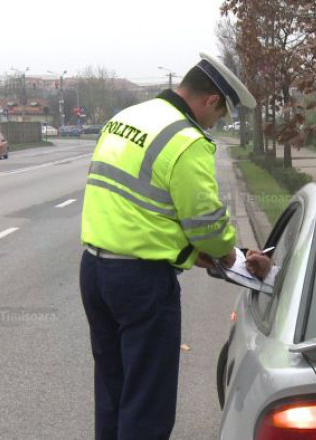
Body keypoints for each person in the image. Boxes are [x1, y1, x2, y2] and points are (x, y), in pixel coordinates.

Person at [79, 53, 256, 440]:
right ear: (210, 100)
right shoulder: (185, 140)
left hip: (94, 271)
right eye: (221, 113)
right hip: (141, 283)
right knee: (147, 403)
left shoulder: (126, 118)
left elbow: (139, 211)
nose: (218, 122)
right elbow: (206, 223)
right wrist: (233, 257)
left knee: (113, 388)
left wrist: (190, 253)